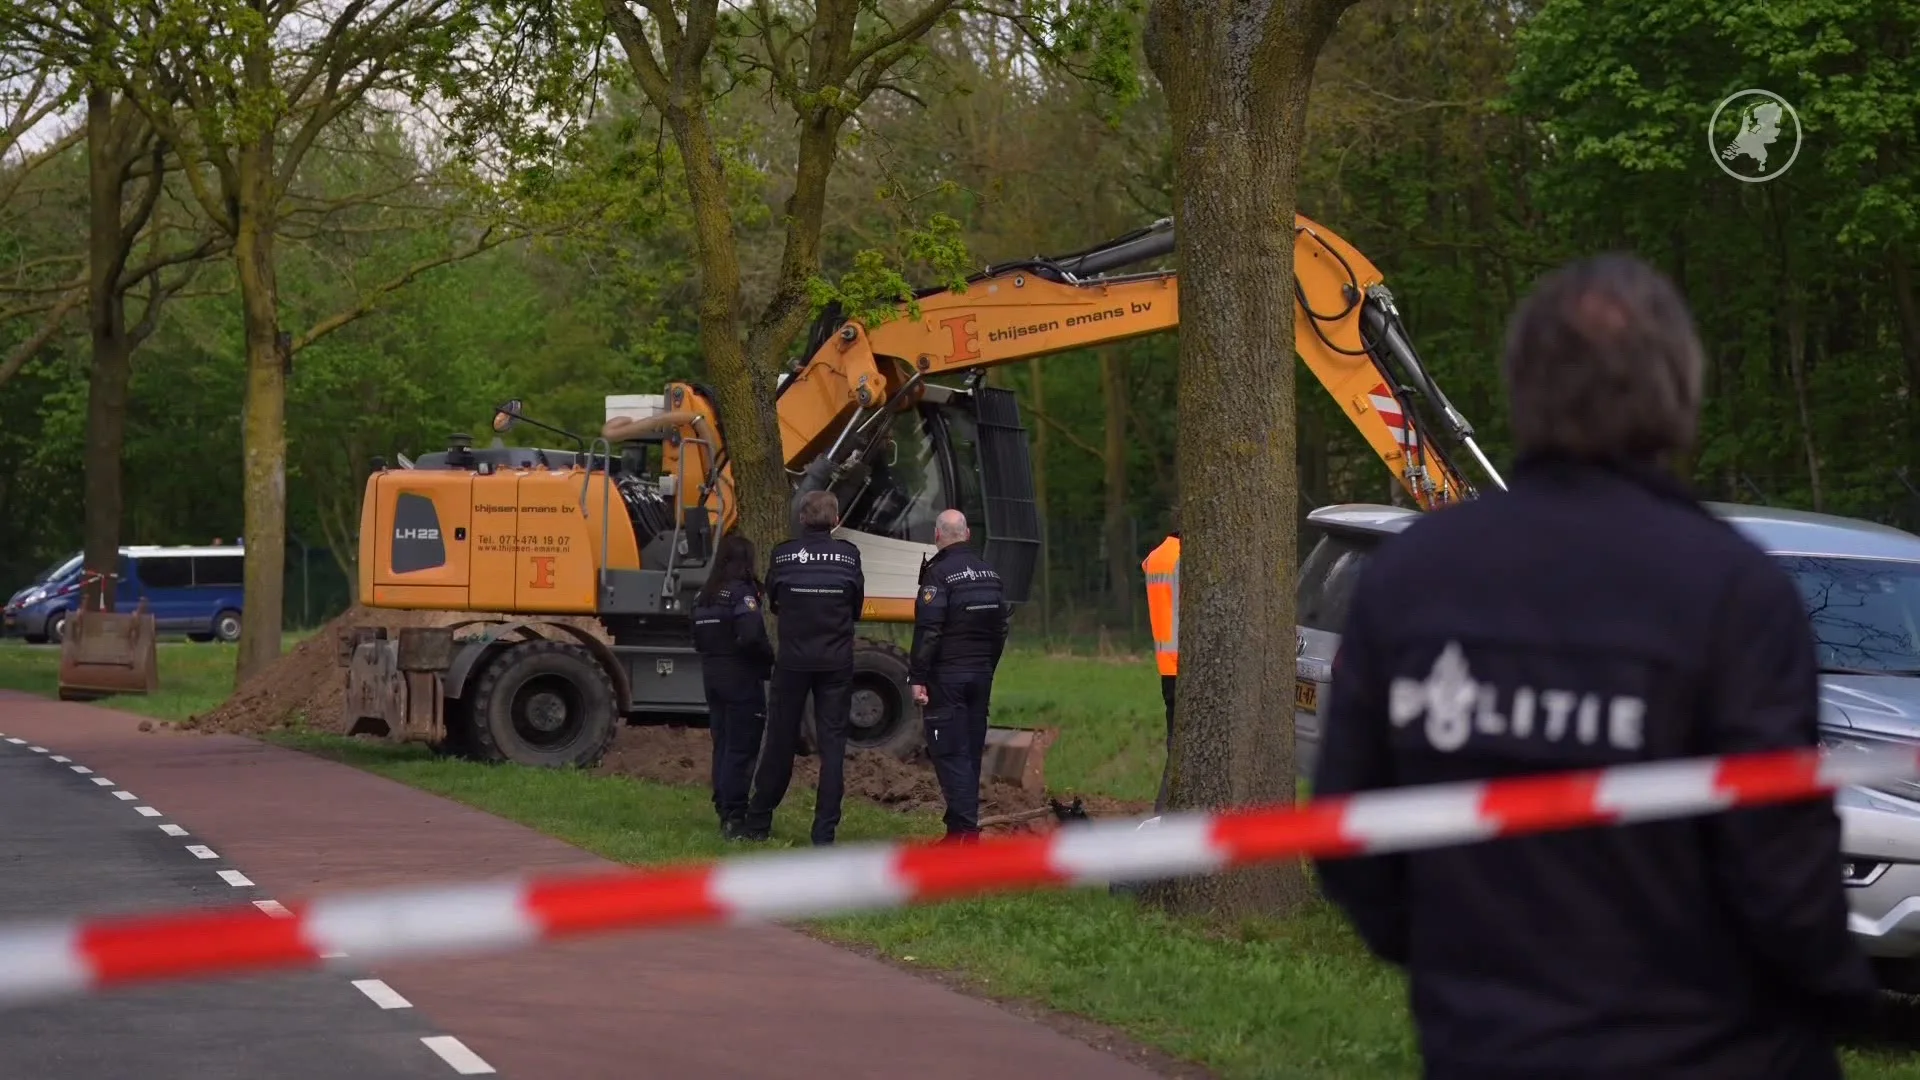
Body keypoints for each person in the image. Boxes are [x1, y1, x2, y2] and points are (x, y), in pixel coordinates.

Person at [1310, 253, 1878, 1080]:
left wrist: (1467, 976)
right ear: (1678, 395)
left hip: (1488, 1048)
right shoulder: (1735, 593)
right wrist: (1837, 996)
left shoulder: (1412, 578)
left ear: (1521, 390)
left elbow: (1352, 835)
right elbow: (1783, 871)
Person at [744, 490, 864, 845]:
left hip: (793, 661)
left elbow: (776, 603)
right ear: (836, 520)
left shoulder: (783, 555)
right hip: (835, 662)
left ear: (801, 519)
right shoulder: (848, 556)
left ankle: (757, 823)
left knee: (780, 741)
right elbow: (855, 606)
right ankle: (824, 834)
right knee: (833, 747)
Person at [908, 509, 1012, 842]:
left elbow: (929, 630)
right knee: (967, 754)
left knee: (950, 755)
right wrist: (988, 667)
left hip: (947, 678)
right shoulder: (989, 574)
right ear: (967, 535)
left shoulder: (937, 575)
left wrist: (918, 676)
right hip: (980, 676)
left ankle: (966, 835)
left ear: (937, 536)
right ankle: (958, 832)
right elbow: (1000, 629)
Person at [690, 534, 774, 841]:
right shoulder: (741, 595)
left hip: (712, 674)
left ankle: (724, 807)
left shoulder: (704, 596)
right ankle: (735, 817)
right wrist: (768, 657)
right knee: (741, 748)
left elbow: (696, 638)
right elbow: (751, 635)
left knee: (722, 745)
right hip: (740, 677)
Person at [1142, 521, 1180, 812]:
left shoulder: (1155, 557)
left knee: (1175, 742)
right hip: (1184, 665)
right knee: (1181, 751)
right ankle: (1165, 814)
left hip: (1166, 663)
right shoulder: (1183, 559)